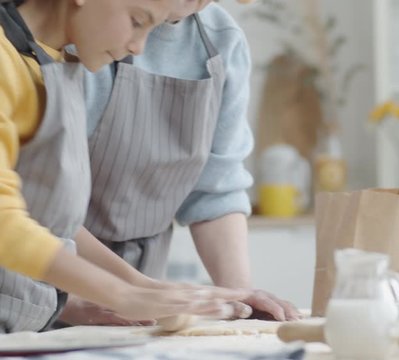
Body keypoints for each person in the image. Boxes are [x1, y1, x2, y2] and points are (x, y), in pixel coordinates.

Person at [0, 0, 249, 333]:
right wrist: (121, 292)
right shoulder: (18, 61)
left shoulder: (53, 62)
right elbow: (12, 218)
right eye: (137, 21)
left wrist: (143, 288)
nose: (138, 46)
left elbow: (51, 218)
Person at [59, 0, 300, 326]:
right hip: (44, 283)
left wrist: (239, 300)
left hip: (141, 301)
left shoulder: (220, 41)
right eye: (137, 21)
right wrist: (122, 291)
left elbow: (215, 189)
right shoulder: (81, 25)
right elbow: (42, 201)